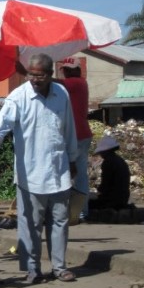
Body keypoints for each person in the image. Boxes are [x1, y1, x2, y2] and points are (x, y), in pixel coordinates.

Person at [0, 53, 78, 284]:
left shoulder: (61, 94)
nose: (35, 79)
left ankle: (59, 267)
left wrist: (73, 159)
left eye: (40, 75)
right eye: (31, 75)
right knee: (30, 223)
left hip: (59, 170)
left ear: (49, 75)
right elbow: (2, 123)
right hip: (31, 172)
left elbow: (69, 130)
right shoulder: (18, 97)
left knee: (59, 221)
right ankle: (32, 269)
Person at [58, 57, 93, 220]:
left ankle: (77, 212)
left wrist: (30, 73)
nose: (67, 72)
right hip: (82, 134)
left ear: (77, 70)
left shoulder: (76, 83)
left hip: (75, 136)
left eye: (69, 69)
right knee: (79, 175)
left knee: (69, 174)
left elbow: (51, 82)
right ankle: (81, 211)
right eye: (65, 69)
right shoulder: (78, 85)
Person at [89, 136, 130, 211]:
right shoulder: (119, 160)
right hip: (123, 198)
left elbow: (105, 184)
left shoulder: (108, 162)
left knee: (87, 203)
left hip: (113, 200)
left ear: (105, 151)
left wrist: (98, 193)